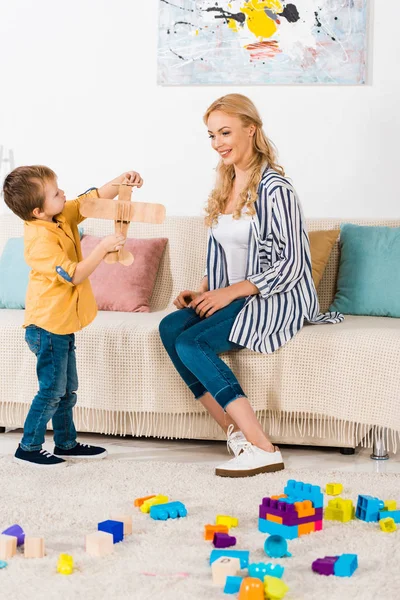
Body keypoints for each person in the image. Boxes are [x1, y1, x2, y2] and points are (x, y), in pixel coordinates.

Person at [159, 94, 343, 478]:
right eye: (211, 135)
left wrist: (228, 293)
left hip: (276, 296)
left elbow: (292, 265)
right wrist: (205, 288)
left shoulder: (276, 188)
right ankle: (234, 433)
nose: (218, 143)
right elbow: (226, 254)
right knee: (170, 327)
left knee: (193, 341)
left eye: (225, 132)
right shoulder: (224, 184)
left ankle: (263, 447)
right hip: (235, 295)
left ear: (251, 130)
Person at [3, 165, 143, 468]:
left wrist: (120, 181)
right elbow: (74, 274)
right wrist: (103, 247)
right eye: (56, 193)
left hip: (62, 323)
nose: (63, 193)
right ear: (38, 211)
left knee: (67, 389)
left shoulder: (59, 215)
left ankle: (66, 442)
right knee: (52, 390)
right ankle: (28, 447)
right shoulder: (39, 241)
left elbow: (88, 202)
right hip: (46, 326)